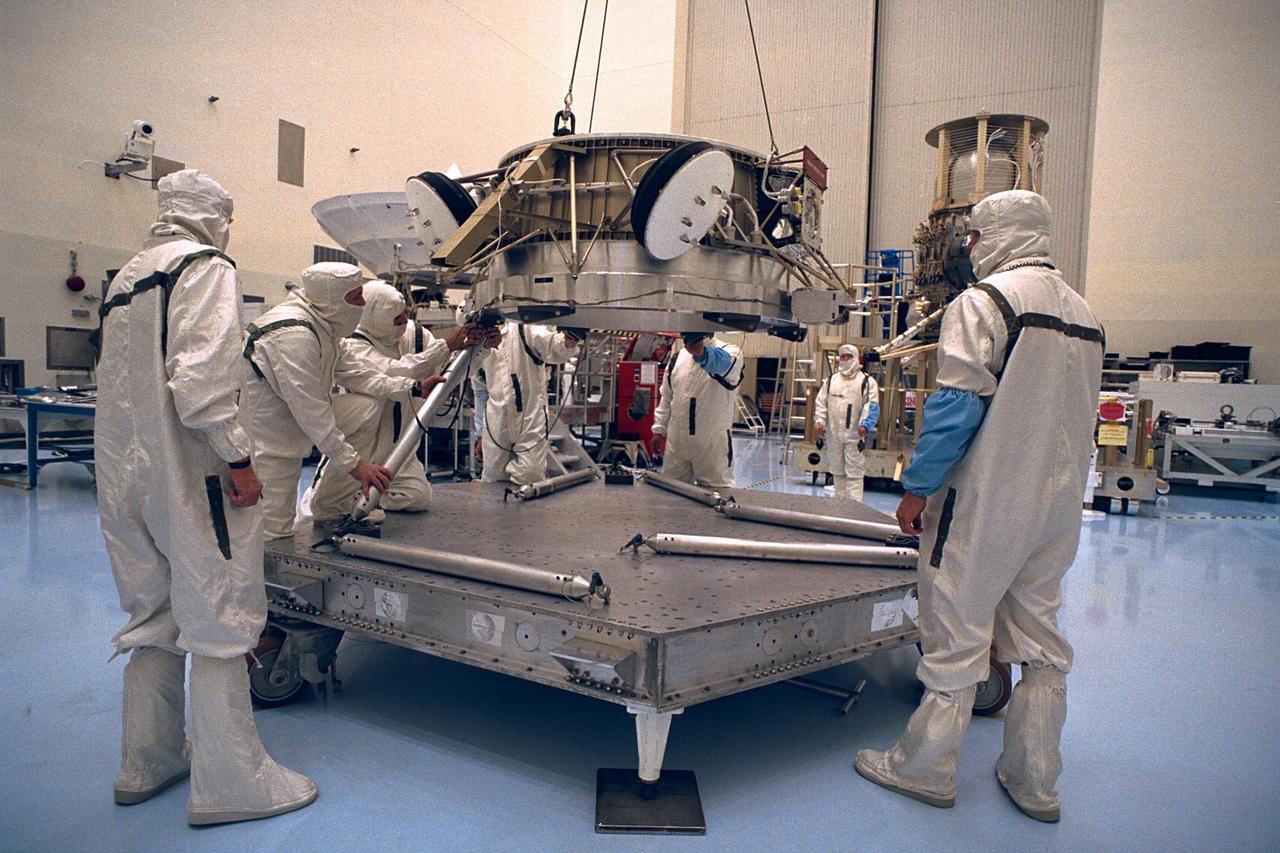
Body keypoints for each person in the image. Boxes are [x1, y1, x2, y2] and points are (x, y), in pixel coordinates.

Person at [854, 190, 1104, 822]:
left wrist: (916, 488)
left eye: (973, 237)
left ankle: (925, 766)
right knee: (1042, 636)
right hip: (1057, 507)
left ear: (999, 236)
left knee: (957, 627)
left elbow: (955, 408)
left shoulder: (986, 302)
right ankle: (1035, 778)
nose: (967, 248)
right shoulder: (1085, 315)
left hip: (987, 498)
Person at [95, 169, 316, 825]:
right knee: (222, 617)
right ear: (214, 215)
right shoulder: (206, 266)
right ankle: (232, 784)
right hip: (192, 478)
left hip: (122, 478)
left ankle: (148, 759)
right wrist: (238, 457)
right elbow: (202, 381)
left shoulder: (128, 276)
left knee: (152, 612)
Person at [304, 282, 494, 523]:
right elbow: (393, 373)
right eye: (394, 318)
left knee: (417, 498)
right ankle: (339, 493)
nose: (402, 321)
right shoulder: (354, 344)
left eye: (403, 314)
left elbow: (447, 374)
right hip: (364, 447)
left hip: (401, 446)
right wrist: (446, 345)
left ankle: (365, 496)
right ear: (373, 316)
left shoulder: (415, 336)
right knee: (326, 502)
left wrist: (480, 348)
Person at [239, 262, 392, 539]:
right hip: (268, 446)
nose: (362, 303)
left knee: (365, 407)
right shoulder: (292, 336)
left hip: (292, 429)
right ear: (332, 299)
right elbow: (312, 411)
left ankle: (330, 507)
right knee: (270, 531)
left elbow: (359, 373)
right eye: (355, 297)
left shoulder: (323, 326)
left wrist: (413, 387)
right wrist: (356, 466)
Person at [472, 320, 583, 485]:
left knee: (530, 475)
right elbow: (480, 392)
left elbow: (555, 346)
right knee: (493, 478)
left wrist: (573, 336)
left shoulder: (524, 328)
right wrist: (481, 433)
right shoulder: (480, 343)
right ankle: (496, 510)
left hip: (530, 418)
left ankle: (520, 509)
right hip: (495, 421)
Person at [651, 332, 743, 487]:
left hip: (711, 443)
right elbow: (667, 397)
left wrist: (702, 354)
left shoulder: (731, 352)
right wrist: (659, 429)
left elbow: (721, 364)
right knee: (672, 492)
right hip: (677, 442)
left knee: (716, 493)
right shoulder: (677, 358)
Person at [813, 344, 880, 501]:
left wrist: (866, 425)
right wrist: (820, 421)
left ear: (856, 358)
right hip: (834, 434)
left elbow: (872, 406)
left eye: (848, 356)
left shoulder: (866, 382)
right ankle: (840, 507)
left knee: (854, 473)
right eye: (842, 356)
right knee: (837, 471)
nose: (844, 359)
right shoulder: (831, 381)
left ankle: (854, 509)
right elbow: (821, 402)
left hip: (854, 435)